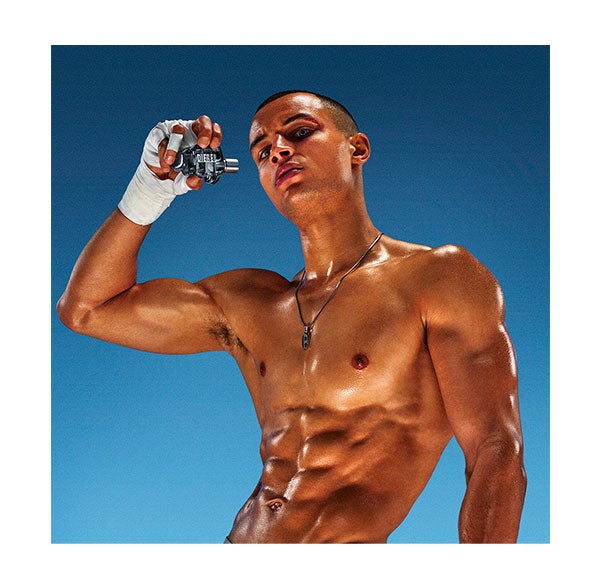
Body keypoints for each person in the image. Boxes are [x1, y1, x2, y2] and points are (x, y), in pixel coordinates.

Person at [57, 90, 527, 543]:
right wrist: (148, 190)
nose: (278, 150)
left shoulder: (439, 277)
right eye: (262, 152)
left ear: (357, 148)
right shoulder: (252, 302)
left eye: (299, 132)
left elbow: (496, 450)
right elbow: (87, 309)